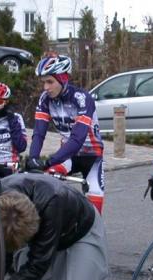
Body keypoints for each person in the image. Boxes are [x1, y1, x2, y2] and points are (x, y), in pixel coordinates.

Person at [26, 53, 105, 214]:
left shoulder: (82, 98)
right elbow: (39, 133)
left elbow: (77, 139)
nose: (45, 87)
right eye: (43, 82)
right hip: (68, 157)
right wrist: (33, 158)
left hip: (92, 157)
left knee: (95, 201)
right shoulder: (45, 99)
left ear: (62, 79)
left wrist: (48, 161)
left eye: (50, 82)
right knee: (46, 183)